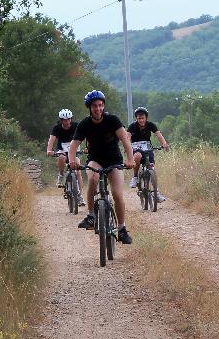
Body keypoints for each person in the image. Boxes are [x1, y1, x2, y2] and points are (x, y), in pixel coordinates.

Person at [69, 90, 136, 244]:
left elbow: (125, 140)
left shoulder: (112, 120)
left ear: (103, 106)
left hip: (114, 160)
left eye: (100, 105)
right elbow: (73, 145)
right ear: (89, 108)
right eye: (94, 106)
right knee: (92, 179)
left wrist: (130, 159)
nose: (98, 109)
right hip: (96, 159)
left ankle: (121, 229)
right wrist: (72, 160)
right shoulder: (84, 124)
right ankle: (91, 215)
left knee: (117, 194)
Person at [127, 107, 169, 203]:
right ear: (136, 119)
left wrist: (164, 144)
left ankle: (156, 193)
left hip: (147, 148)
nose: (141, 120)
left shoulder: (151, 125)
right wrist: (127, 148)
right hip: (136, 148)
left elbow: (158, 135)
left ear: (146, 118)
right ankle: (135, 177)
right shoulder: (132, 126)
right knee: (137, 157)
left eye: (143, 118)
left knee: (152, 168)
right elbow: (127, 138)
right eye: (139, 118)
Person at [46, 108, 85, 206]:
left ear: (71, 119)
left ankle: (80, 195)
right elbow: (52, 139)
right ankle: (61, 175)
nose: (67, 122)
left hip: (75, 150)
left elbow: (85, 136)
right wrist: (49, 150)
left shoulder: (77, 126)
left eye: (68, 119)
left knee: (78, 169)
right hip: (62, 150)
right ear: (61, 120)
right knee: (62, 158)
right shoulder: (57, 128)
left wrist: (87, 148)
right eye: (64, 120)